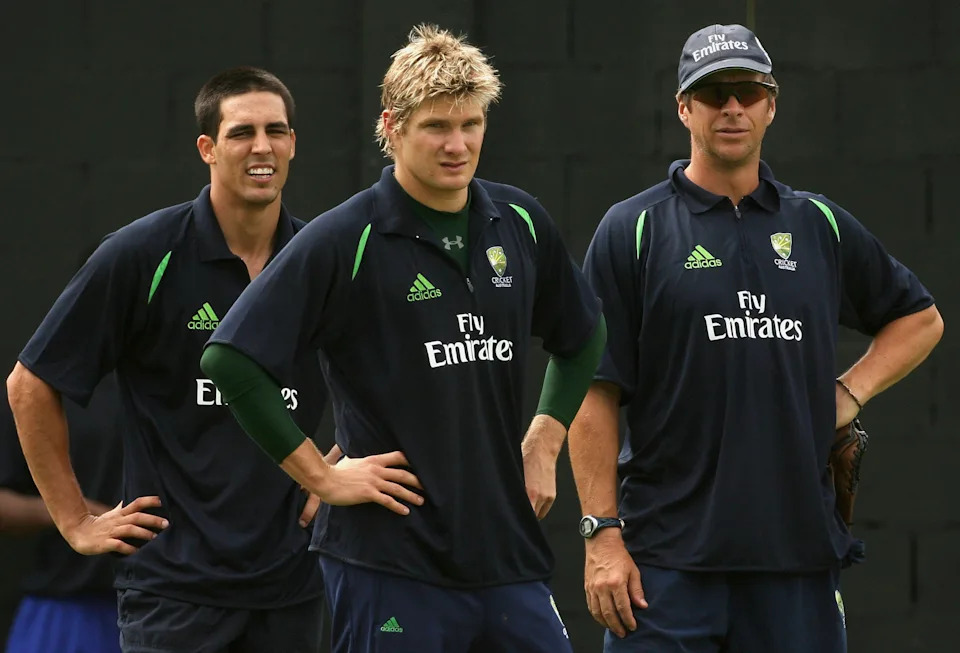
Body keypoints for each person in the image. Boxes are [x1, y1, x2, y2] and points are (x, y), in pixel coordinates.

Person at [201, 24, 606, 653]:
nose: (458, 144)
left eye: (471, 124)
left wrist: (545, 438)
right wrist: (320, 477)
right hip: (388, 560)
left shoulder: (520, 220)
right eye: (436, 127)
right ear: (392, 128)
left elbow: (583, 334)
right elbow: (231, 359)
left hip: (505, 555)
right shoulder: (348, 237)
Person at [5, 66, 411, 653]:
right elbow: (30, 384)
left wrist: (332, 470)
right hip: (174, 589)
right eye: (242, 132)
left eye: (277, 130)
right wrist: (74, 520)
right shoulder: (144, 254)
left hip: (292, 583)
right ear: (208, 148)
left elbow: (390, 368)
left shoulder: (320, 256)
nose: (262, 147)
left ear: (294, 143)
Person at [568, 23, 944, 653]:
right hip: (665, 564)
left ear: (772, 103)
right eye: (714, 94)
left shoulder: (818, 222)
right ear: (684, 107)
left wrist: (850, 391)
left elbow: (921, 318)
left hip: (795, 558)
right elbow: (594, 390)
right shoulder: (633, 229)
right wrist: (601, 535)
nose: (732, 108)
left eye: (747, 91)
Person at [1, 369, 121, 653]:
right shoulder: (36, 386)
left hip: (175, 604)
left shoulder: (183, 384)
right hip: (68, 609)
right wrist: (74, 513)